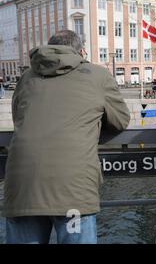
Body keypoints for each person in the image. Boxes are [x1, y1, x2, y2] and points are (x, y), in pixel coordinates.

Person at [2, 30, 130, 244]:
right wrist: (87, 132)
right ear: (81, 52)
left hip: (23, 186)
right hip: (74, 189)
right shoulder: (98, 75)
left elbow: (19, 119)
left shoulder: (26, 77)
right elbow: (120, 120)